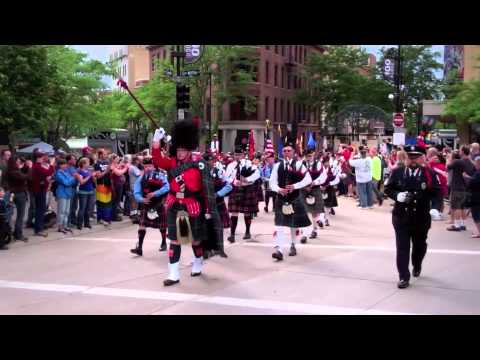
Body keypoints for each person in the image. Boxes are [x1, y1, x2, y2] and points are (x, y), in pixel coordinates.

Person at [152, 121, 221, 287]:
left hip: (193, 206)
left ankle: (198, 262)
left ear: (189, 149)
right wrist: (156, 142)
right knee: (175, 240)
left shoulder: (200, 164)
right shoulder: (172, 162)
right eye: (179, 150)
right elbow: (158, 160)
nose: (180, 153)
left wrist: (208, 209)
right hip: (175, 204)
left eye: (183, 150)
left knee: (195, 240)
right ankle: (173, 274)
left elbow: (206, 189)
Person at [385, 145, 440, 289]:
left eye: (416, 157)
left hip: (421, 218)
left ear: (422, 158)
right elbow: (388, 188)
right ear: (406, 158)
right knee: (402, 247)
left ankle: (417, 263)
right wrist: (397, 196)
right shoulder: (397, 172)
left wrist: (435, 208)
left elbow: (437, 192)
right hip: (401, 217)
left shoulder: (428, 173)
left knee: (419, 246)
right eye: (410, 157)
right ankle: (403, 276)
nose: (413, 160)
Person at [269, 137, 312, 261]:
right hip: (281, 198)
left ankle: (293, 244)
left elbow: (308, 179)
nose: (286, 152)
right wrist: (278, 189)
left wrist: (295, 186)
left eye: (289, 151)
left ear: (293, 152)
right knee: (279, 225)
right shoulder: (277, 166)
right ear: (282, 153)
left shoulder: (299, 165)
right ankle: (280, 250)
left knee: (293, 225)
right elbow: (272, 182)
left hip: (294, 198)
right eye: (284, 151)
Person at [130, 157, 170, 256]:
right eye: (145, 166)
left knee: (162, 225)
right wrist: (141, 199)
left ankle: (164, 242)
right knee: (142, 225)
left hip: (158, 204)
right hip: (146, 205)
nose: (147, 168)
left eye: (149, 166)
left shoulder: (160, 176)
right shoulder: (141, 178)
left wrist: (155, 193)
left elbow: (167, 187)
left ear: (153, 166)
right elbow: (136, 191)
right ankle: (139, 247)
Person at [225, 145, 261, 242]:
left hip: (247, 188)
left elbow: (257, 174)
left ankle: (248, 232)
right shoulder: (230, 166)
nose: (237, 156)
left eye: (239, 154)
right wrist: (234, 181)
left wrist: (247, 179)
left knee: (247, 212)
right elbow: (226, 177)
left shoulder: (249, 163)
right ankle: (232, 235)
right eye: (236, 155)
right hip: (236, 189)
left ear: (243, 155)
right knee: (234, 212)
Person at [203, 152, 231, 258]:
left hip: (217, 203)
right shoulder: (199, 173)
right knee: (205, 227)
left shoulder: (219, 172)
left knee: (218, 227)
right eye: (207, 161)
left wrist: (218, 194)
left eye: (211, 161)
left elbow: (229, 186)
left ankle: (220, 249)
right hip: (205, 204)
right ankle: (206, 250)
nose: (210, 163)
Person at [301, 149, 327, 243]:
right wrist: (304, 185)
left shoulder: (319, 164)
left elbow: (323, 176)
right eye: (307, 156)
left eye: (310, 156)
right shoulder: (301, 164)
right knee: (303, 212)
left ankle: (314, 230)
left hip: (315, 188)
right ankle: (304, 234)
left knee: (315, 212)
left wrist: (314, 182)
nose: (308, 158)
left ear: (313, 155)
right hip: (303, 189)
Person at [446, 147, 474, 231]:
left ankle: (457, 225)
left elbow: (447, 167)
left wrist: (448, 158)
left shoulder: (457, 161)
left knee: (456, 206)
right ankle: (462, 224)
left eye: (460, 150)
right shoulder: (470, 162)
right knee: (462, 207)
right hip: (465, 187)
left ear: (462, 151)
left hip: (457, 186)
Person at [6, 156, 31, 242]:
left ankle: (10, 233)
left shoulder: (10, 170)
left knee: (10, 214)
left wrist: (25, 166)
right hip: (19, 193)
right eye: (17, 160)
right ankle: (17, 234)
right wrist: (30, 167)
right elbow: (26, 177)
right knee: (20, 215)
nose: (19, 162)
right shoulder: (14, 172)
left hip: (12, 193)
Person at [32, 151, 54, 237]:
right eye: (44, 156)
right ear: (40, 157)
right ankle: (38, 229)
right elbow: (48, 172)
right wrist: (51, 164)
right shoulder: (37, 166)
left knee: (40, 209)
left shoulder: (37, 165)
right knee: (40, 210)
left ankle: (39, 228)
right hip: (39, 190)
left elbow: (48, 174)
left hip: (41, 189)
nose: (46, 158)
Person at [55, 159, 77, 234]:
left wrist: (71, 179)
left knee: (67, 211)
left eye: (65, 164)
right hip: (62, 193)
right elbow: (66, 182)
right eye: (63, 164)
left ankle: (65, 225)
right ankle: (60, 226)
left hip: (68, 193)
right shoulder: (58, 173)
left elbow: (71, 181)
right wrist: (73, 178)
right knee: (62, 211)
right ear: (59, 165)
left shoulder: (66, 172)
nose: (65, 165)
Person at [94, 149, 113, 228]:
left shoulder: (107, 162)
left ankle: (107, 218)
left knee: (108, 203)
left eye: (106, 154)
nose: (106, 156)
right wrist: (106, 171)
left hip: (108, 185)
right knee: (102, 203)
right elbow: (98, 176)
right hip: (101, 185)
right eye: (105, 154)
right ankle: (101, 218)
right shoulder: (97, 164)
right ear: (100, 155)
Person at [75, 157, 95, 230]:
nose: (89, 164)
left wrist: (93, 177)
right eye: (88, 162)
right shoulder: (79, 171)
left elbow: (93, 181)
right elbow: (81, 182)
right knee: (82, 208)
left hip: (90, 190)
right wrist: (89, 176)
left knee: (88, 208)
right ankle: (79, 224)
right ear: (83, 164)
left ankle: (87, 223)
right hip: (83, 192)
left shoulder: (89, 171)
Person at [110, 154, 129, 222]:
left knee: (116, 201)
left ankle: (115, 214)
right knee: (115, 201)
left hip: (119, 185)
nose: (118, 160)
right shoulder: (112, 166)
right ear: (113, 159)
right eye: (117, 158)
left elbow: (120, 167)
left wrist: (123, 164)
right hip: (115, 185)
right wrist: (125, 167)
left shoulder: (116, 165)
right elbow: (119, 173)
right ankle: (113, 216)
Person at [467, 155, 480, 238]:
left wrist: (467, 177)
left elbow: (473, 183)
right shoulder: (477, 172)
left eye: (476, 163)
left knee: (476, 215)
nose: (474, 164)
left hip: (476, 197)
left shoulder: (478, 173)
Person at [128, 155, 144, 221]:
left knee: (135, 201)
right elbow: (139, 174)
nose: (139, 161)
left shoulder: (135, 167)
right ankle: (134, 216)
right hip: (134, 186)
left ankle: (133, 214)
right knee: (134, 202)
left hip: (136, 186)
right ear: (135, 160)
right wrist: (144, 170)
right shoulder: (132, 167)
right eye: (138, 160)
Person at [66, 154, 79, 228]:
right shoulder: (66, 168)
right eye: (73, 159)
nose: (75, 160)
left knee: (75, 206)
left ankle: (73, 220)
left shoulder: (74, 168)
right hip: (70, 188)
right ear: (69, 160)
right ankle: (67, 222)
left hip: (75, 188)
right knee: (69, 207)